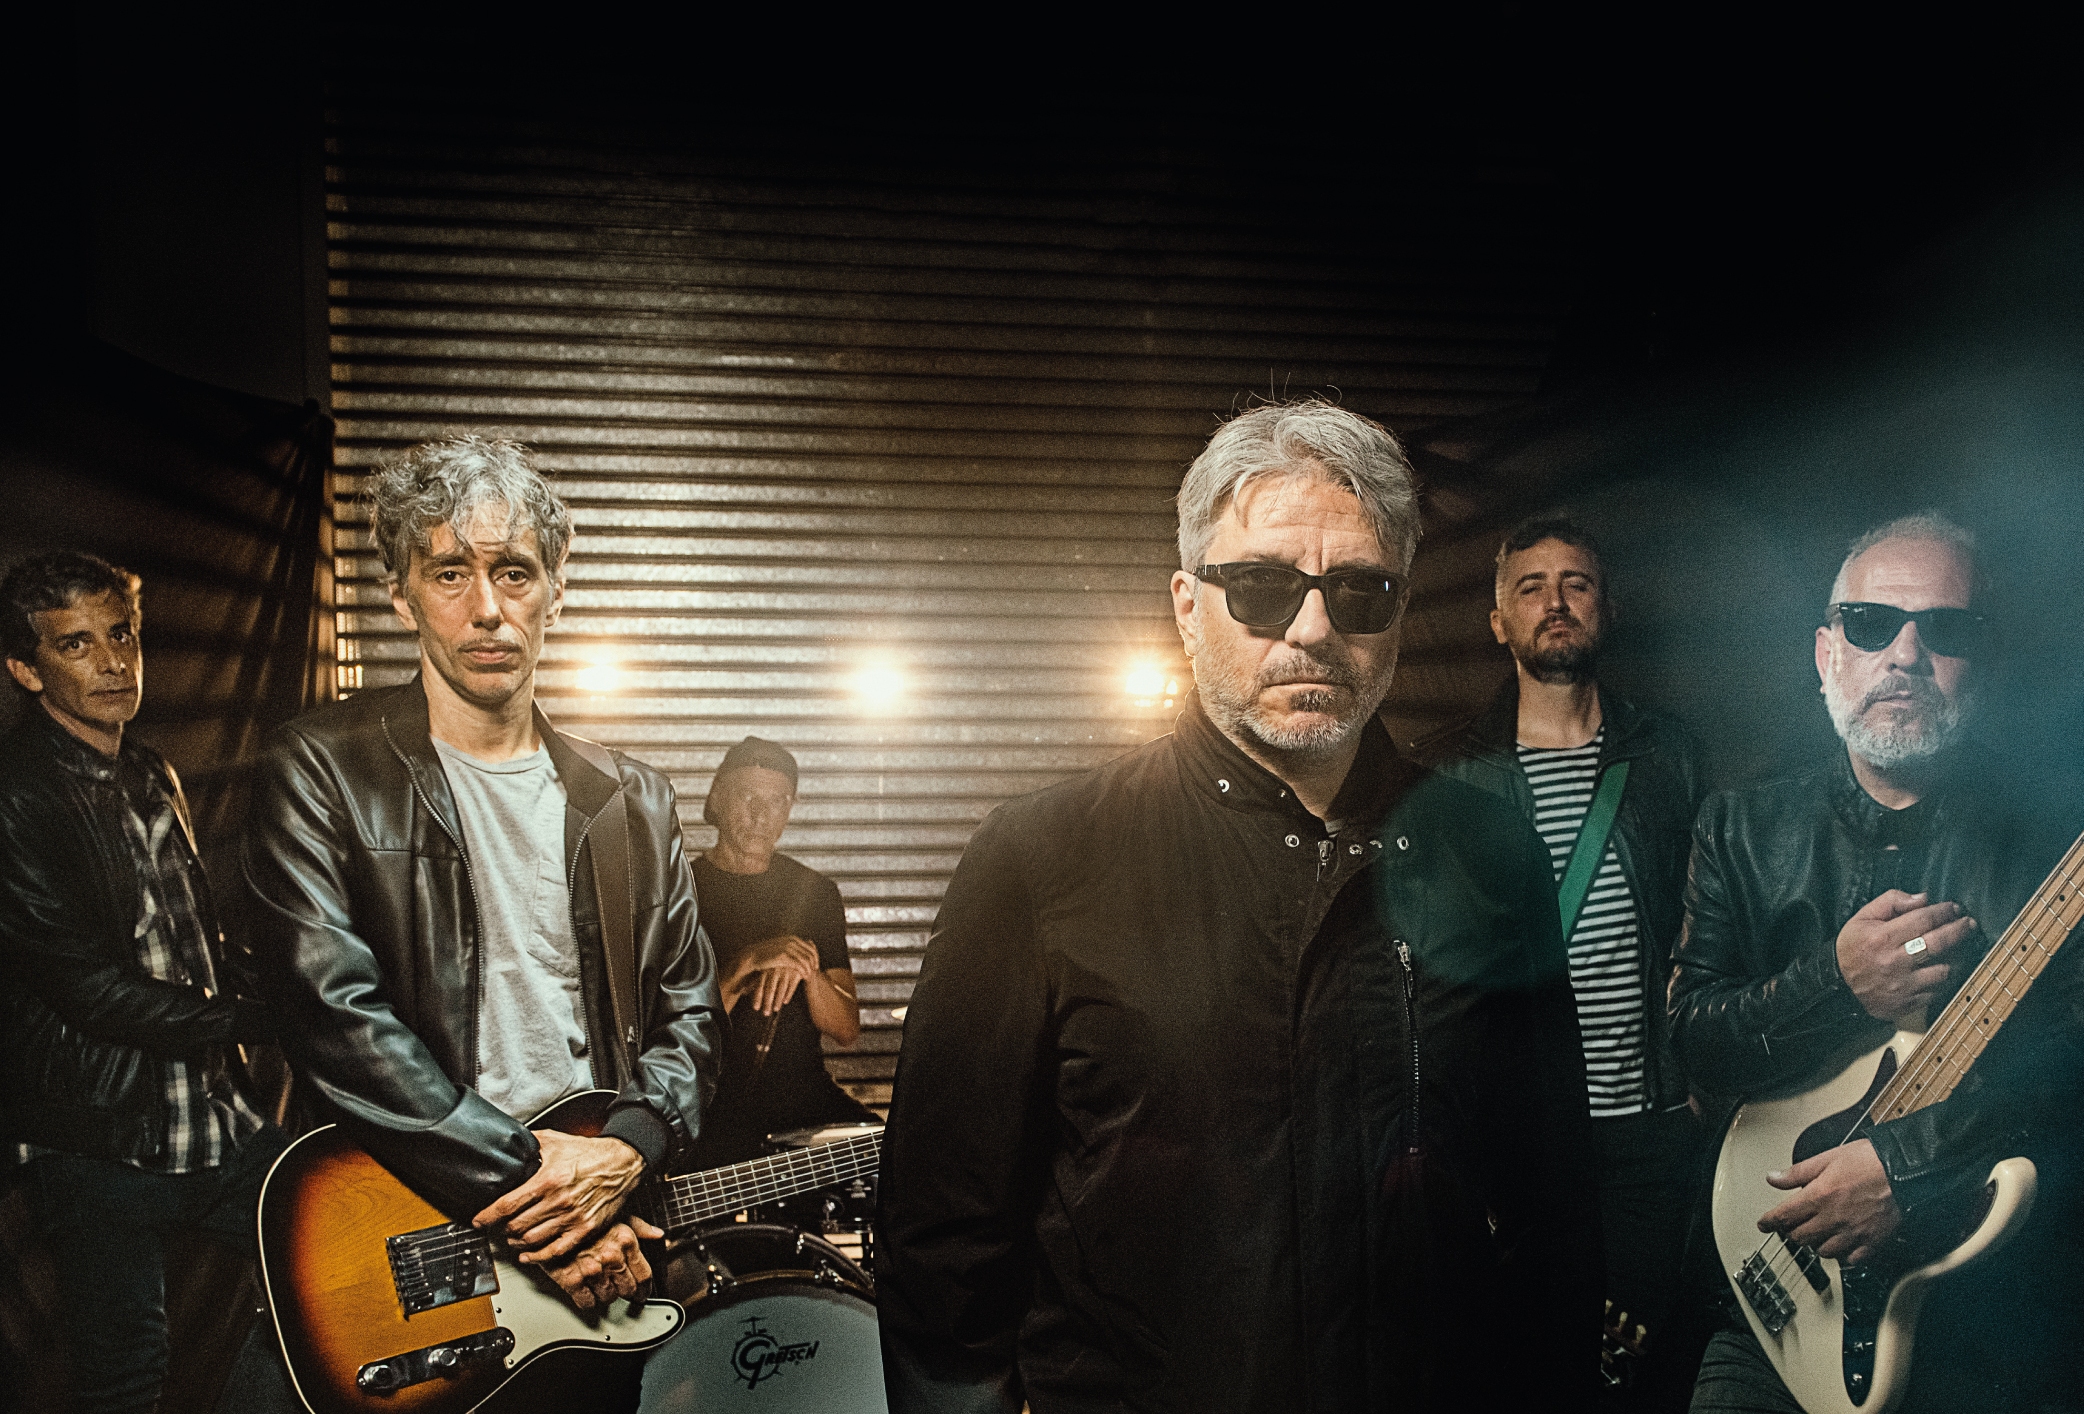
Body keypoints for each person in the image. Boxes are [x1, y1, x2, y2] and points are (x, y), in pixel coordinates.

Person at [877, 399, 1602, 1414]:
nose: (1312, 628)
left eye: (1358, 591)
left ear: (1399, 611)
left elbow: (1551, 1207)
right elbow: (942, 1244)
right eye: (1261, 586)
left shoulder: (1488, 856)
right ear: (1186, 605)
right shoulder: (1039, 861)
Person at [240, 435, 721, 1407]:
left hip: (601, 1229)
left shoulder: (634, 798)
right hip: (419, 1220)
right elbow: (333, 1017)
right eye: (450, 572)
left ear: (556, 590)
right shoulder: (318, 767)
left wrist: (628, 1147)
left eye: (514, 571)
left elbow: (690, 1009)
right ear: (401, 596)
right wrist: (547, 1199)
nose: (488, 608)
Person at [1669, 513, 2084, 1413]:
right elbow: (1693, 1045)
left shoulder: (2058, 844)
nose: (1905, 654)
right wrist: (1838, 984)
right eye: (1869, 624)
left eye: (1946, 629)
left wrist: (1904, 1166)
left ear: (1984, 663)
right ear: (1826, 655)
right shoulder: (1739, 827)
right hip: (1772, 1310)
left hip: (1995, 1331)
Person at [1411, 515, 1707, 1410]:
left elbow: (1713, 927)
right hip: (1522, 1147)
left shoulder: (1669, 755)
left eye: (1576, 583)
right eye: (1530, 587)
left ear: (1606, 608)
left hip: (1652, 1130)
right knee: (1533, 1370)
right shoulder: (1444, 773)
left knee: (1645, 1367)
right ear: (1498, 621)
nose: (1555, 602)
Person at [0, 552, 284, 1414]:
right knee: (124, 1380)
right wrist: (260, 1018)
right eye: (76, 644)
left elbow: (193, 941)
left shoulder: (151, 771)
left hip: (213, 1119)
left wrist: (300, 988)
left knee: (338, 1278)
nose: (113, 662)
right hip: (101, 1143)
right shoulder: (16, 798)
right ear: (25, 670)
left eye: (121, 635)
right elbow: (87, 988)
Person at [686, 734, 873, 1169]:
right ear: (717, 798)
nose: (761, 815)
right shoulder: (681, 893)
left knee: (898, 1159)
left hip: (804, 1103)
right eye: (747, 797)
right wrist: (746, 964)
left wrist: (807, 970)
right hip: (711, 1109)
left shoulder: (815, 892)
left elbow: (847, 1028)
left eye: (777, 801)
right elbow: (674, 1032)